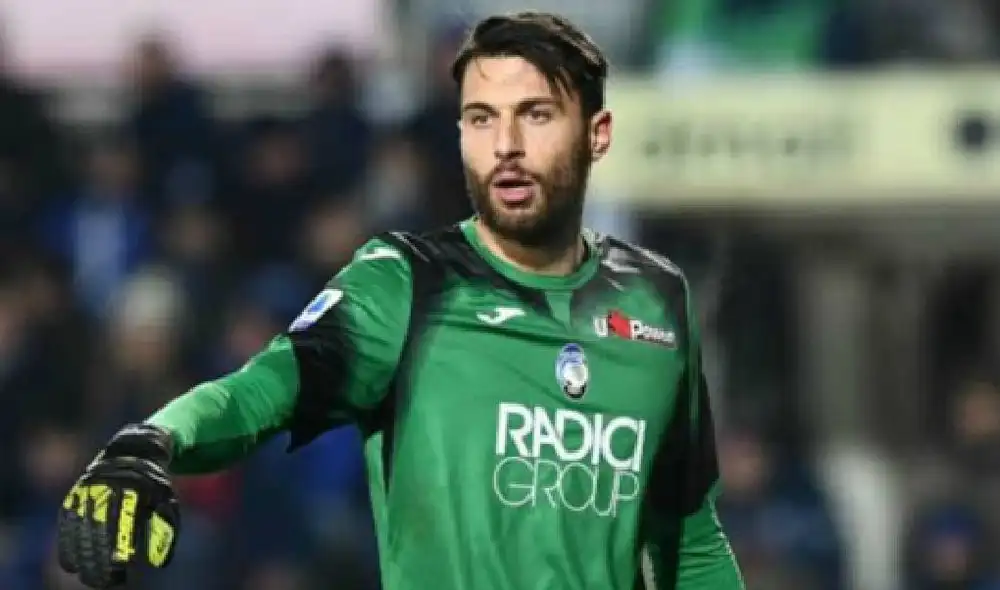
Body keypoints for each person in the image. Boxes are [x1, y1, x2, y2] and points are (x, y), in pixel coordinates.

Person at [55, 11, 745, 590]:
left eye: (536, 116)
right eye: (482, 119)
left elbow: (690, 538)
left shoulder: (656, 302)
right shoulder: (407, 282)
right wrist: (154, 441)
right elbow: (263, 389)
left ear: (597, 134)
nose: (506, 146)